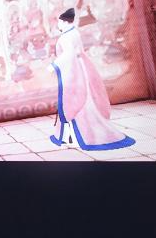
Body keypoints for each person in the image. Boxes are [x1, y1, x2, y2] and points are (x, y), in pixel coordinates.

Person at [48, 8, 135, 150]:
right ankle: (73, 135)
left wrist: (54, 65)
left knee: (75, 99)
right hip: (79, 68)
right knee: (84, 98)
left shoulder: (67, 37)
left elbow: (69, 54)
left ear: (65, 22)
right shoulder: (74, 33)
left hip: (74, 70)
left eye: (59, 22)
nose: (58, 25)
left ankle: (78, 136)